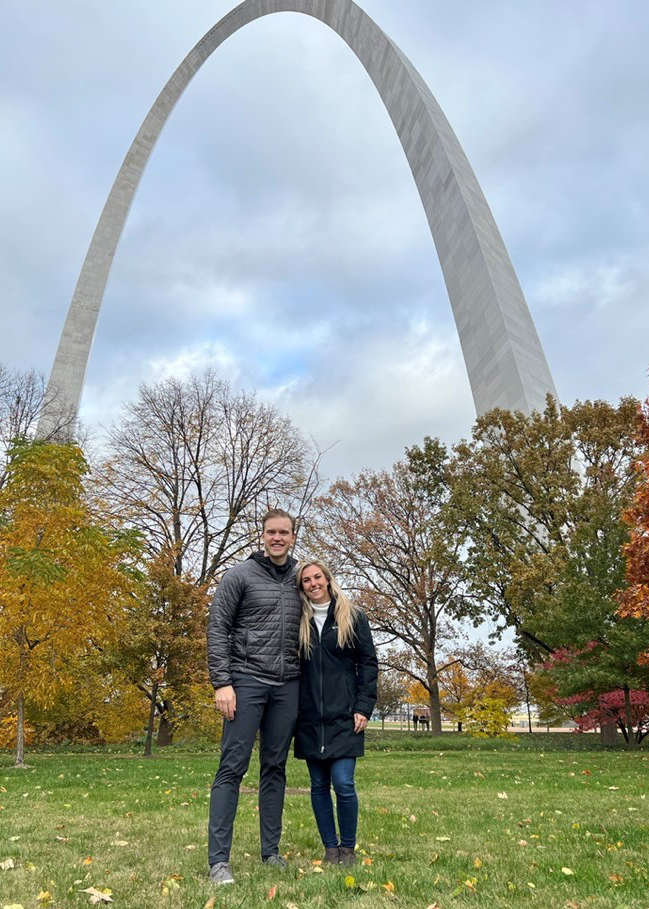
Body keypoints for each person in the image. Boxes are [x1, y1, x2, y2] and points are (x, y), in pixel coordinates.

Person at [207, 508, 302, 886]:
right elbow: (217, 628)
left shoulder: (301, 579)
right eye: (271, 532)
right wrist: (222, 682)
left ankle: (271, 852)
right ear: (262, 536)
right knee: (232, 768)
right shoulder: (239, 575)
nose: (277, 537)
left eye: (284, 532)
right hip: (245, 681)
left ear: (293, 536)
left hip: (288, 685)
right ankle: (219, 862)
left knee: (275, 768)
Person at [294, 560, 378, 866]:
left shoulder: (352, 616)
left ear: (327, 579)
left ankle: (348, 849)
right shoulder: (297, 620)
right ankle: (331, 850)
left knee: (343, 783)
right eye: (306, 580)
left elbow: (368, 663)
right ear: (301, 586)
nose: (313, 583)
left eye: (317, 577)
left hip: (344, 715)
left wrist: (364, 706)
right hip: (308, 718)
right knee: (318, 786)